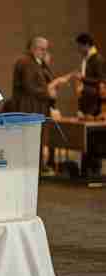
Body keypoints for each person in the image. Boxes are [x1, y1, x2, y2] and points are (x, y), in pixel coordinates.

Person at [12, 36, 58, 173]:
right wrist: (48, 93)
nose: (45, 52)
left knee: (37, 140)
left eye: (46, 49)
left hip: (37, 107)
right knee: (30, 141)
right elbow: (30, 86)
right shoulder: (25, 62)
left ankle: (36, 167)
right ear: (33, 48)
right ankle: (30, 168)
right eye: (42, 49)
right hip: (28, 108)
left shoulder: (37, 63)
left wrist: (45, 64)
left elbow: (47, 80)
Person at [74, 33, 106, 176]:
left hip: (94, 103)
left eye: (80, 46)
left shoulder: (97, 59)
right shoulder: (88, 58)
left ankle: (94, 168)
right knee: (87, 136)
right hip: (88, 101)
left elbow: (101, 80)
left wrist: (83, 79)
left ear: (86, 44)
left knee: (94, 136)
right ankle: (87, 168)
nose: (79, 49)